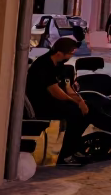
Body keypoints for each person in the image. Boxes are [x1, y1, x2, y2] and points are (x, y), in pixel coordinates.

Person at [26, 37, 91, 166]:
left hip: (53, 101)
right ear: (60, 53)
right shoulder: (43, 65)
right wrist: (77, 103)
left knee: (87, 111)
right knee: (76, 115)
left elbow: (66, 87)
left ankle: (73, 149)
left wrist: (81, 100)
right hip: (40, 104)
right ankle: (66, 156)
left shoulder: (59, 63)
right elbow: (55, 91)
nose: (71, 55)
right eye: (70, 53)